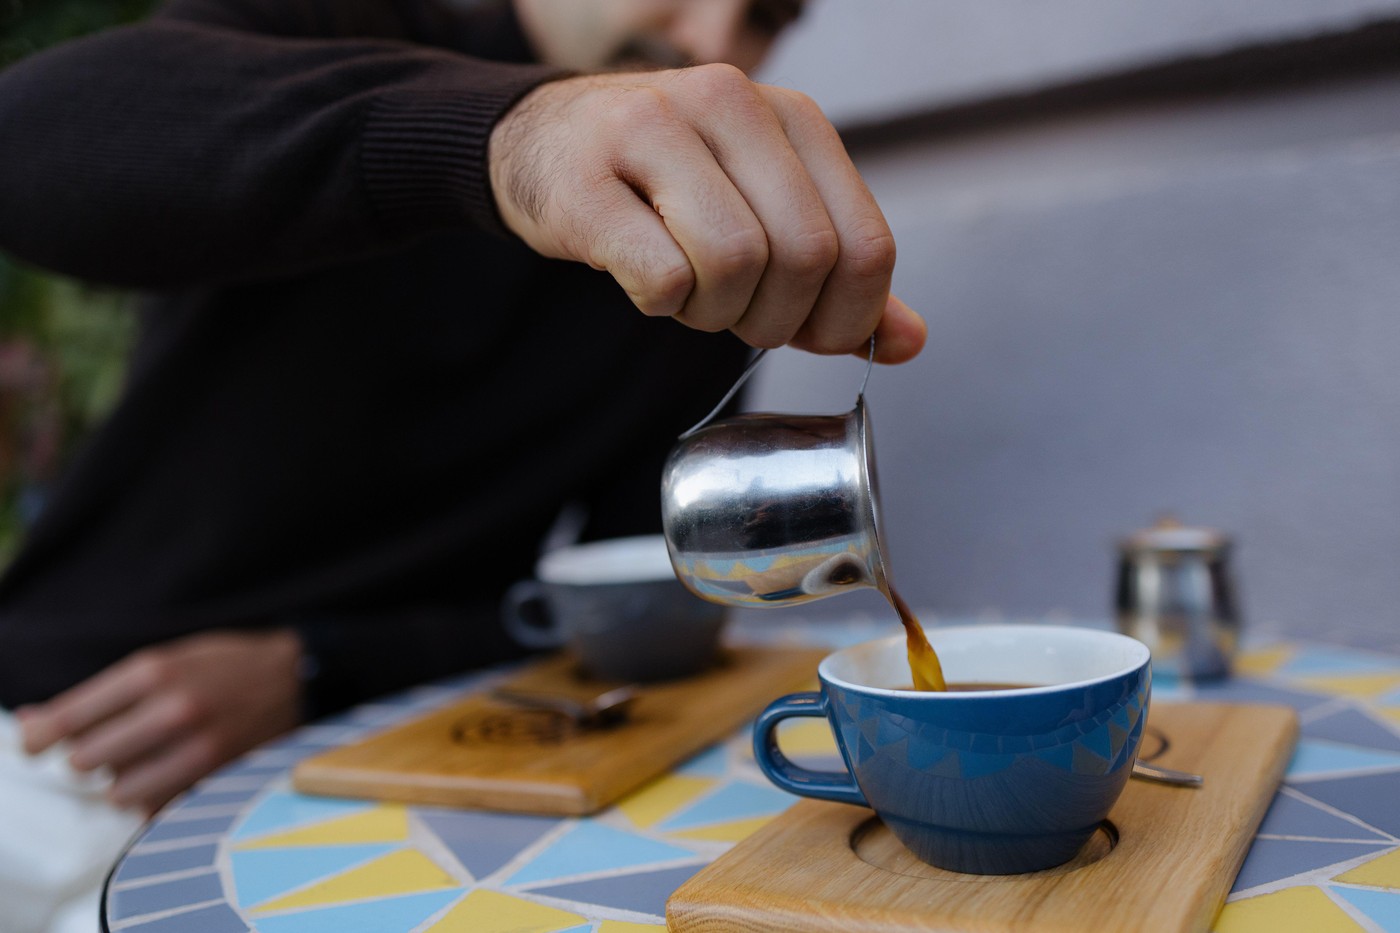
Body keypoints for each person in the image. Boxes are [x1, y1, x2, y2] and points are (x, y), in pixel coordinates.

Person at [0, 0, 925, 929]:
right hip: (61, 737)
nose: (715, 44)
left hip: (393, 769)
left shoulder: (688, 261)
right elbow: (28, 137)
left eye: (765, 18)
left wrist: (320, 665)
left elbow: (625, 607)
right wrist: (507, 135)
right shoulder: (359, 28)